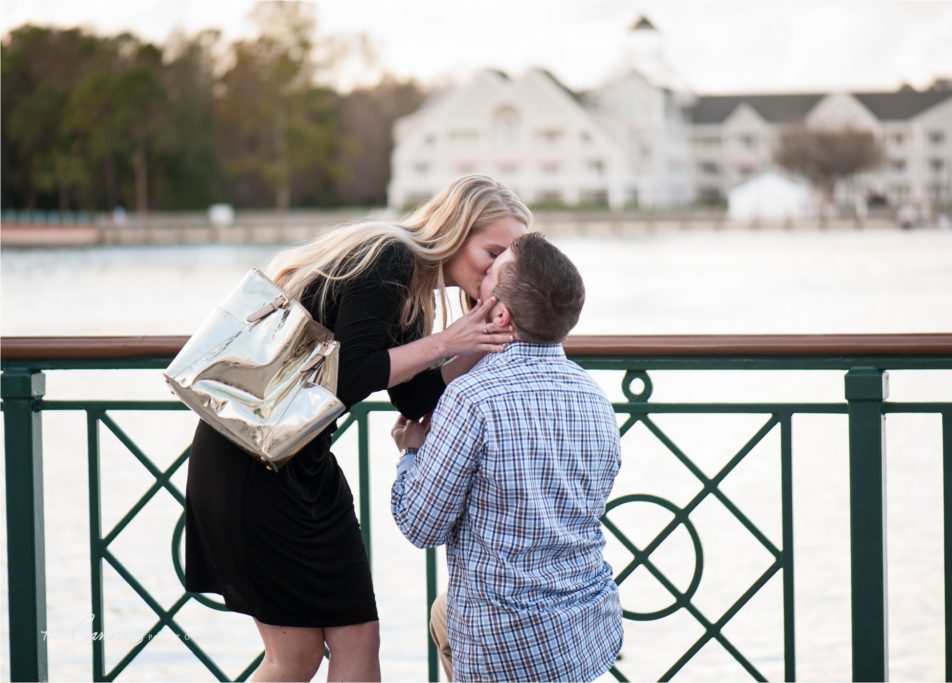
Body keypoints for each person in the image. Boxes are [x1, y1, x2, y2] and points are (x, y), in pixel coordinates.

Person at [184, 175, 528, 682]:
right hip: (252, 463)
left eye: (511, 260)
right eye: (493, 252)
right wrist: (448, 339)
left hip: (300, 463)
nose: (500, 269)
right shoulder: (389, 257)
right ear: (456, 229)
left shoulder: (413, 287)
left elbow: (412, 397)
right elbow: (346, 379)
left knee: (355, 640)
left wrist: (477, 344)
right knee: (295, 656)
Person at [390, 233, 623, 682]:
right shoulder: (595, 398)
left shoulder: (470, 398)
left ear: (500, 314)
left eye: (491, 274)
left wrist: (412, 453)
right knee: (445, 612)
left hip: (502, 638)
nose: (479, 276)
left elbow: (420, 525)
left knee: (449, 614)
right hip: (587, 627)